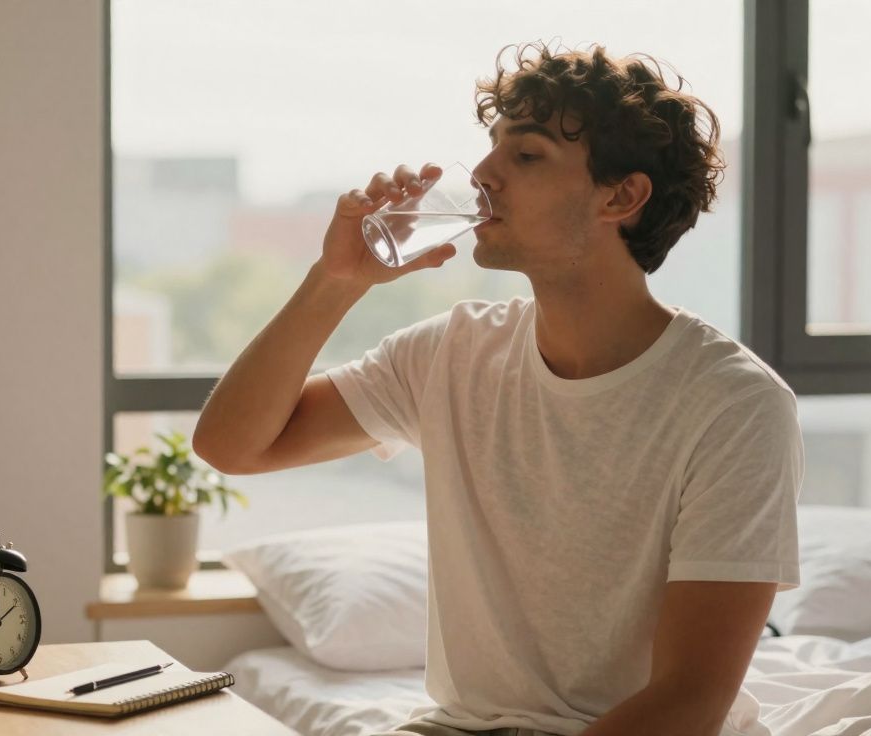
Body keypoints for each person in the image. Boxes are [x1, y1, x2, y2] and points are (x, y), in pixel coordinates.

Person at [193, 41, 802, 736]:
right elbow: (232, 445)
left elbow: (688, 701)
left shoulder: (734, 405)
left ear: (621, 195)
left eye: (527, 155)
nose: (483, 174)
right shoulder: (451, 353)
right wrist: (337, 280)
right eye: (492, 148)